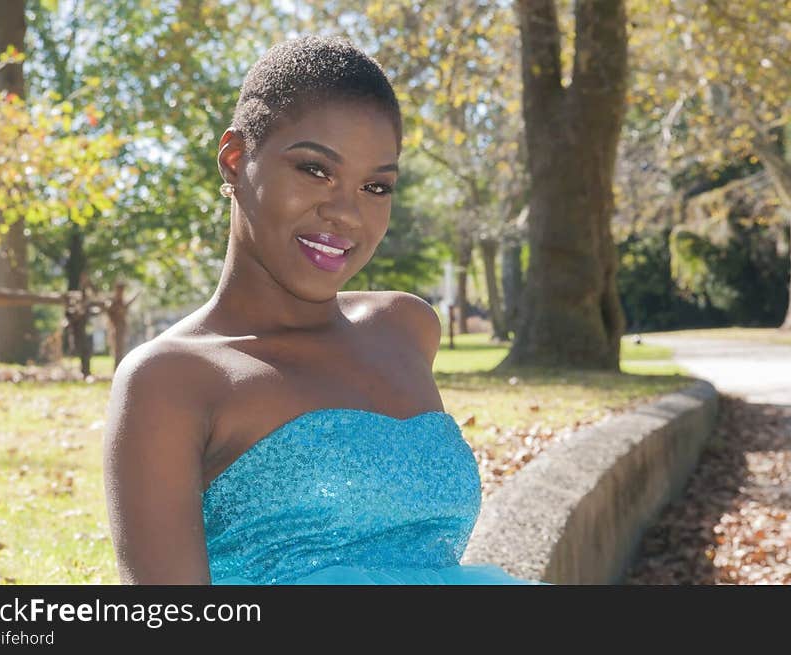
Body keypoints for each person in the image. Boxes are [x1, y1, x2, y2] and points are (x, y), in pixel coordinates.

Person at [102, 35, 548, 585]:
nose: (346, 212)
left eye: (375, 186)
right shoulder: (171, 379)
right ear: (236, 160)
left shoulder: (406, 330)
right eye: (316, 170)